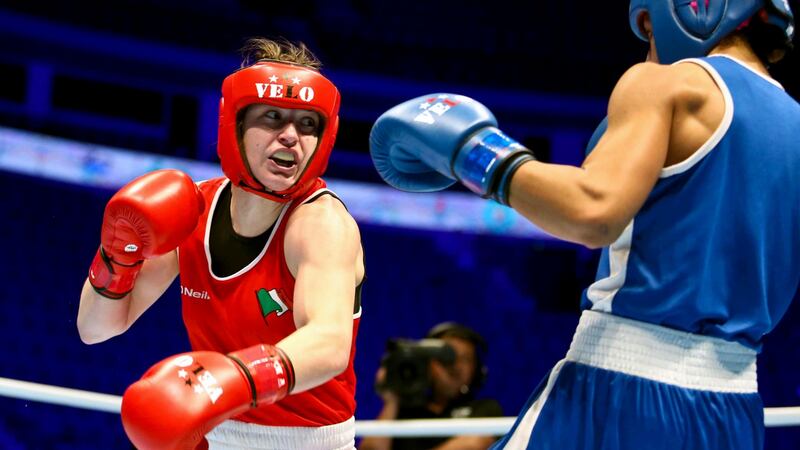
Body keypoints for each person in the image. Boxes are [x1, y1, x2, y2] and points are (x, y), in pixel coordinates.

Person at [368, 1, 798, 449]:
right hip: (734, 412)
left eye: (648, 25)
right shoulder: (795, 124)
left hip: (624, 390)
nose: (648, 42)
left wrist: (475, 152)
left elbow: (593, 211)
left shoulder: (668, 83)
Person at [77, 38, 365, 450]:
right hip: (214, 434)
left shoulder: (321, 223)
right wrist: (117, 257)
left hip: (307, 442)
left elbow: (329, 342)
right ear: (237, 125)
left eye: (307, 124)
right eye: (272, 117)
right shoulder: (190, 210)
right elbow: (95, 328)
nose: (290, 136)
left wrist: (233, 377)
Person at [359, 322, 503, 450]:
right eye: (446, 357)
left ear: (476, 370)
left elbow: (476, 444)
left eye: (465, 358)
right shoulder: (403, 413)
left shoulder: (486, 409)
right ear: (428, 364)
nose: (455, 365)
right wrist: (391, 400)